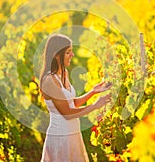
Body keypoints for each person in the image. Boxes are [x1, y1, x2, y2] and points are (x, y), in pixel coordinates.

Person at [40, 34, 112, 162]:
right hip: (61, 136)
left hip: (73, 133)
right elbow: (67, 113)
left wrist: (92, 92)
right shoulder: (49, 80)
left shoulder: (64, 73)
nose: (72, 55)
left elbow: (72, 103)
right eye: (68, 52)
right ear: (57, 55)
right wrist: (95, 105)